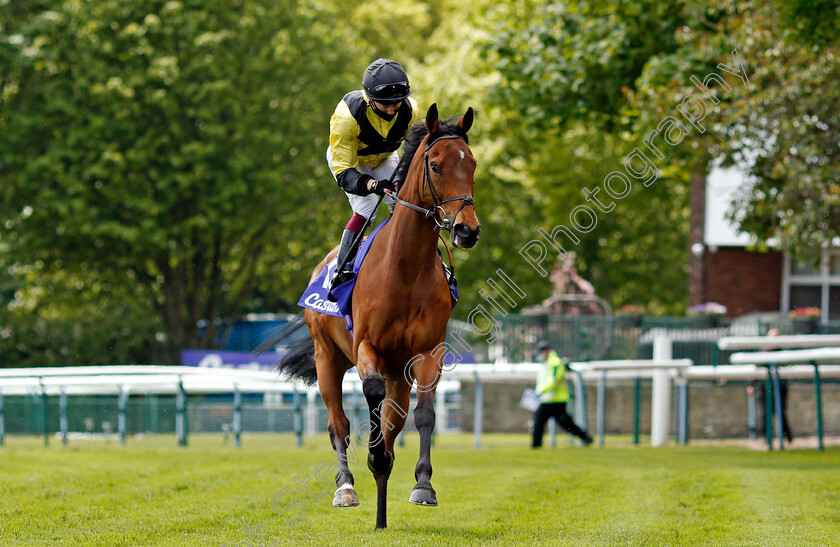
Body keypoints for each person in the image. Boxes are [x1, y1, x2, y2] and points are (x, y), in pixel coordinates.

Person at [326, 58, 421, 291]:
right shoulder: (347, 117)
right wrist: (371, 185)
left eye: (396, 103)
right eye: (384, 104)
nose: (391, 110)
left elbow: (415, 152)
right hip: (351, 163)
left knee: (402, 201)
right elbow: (344, 172)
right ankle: (342, 267)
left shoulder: (412, 109)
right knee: (368, 207)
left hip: (385, 157)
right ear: (369, 99)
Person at [531, 341, 593, 448]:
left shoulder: (555, 363)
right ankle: (536, 445)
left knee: (566, 424)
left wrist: (540, 390)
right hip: (547, 400)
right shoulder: (546, 363)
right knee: (538, 423)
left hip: (557, 401)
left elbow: (554, 381)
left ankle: (585, 438)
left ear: (546, 351)